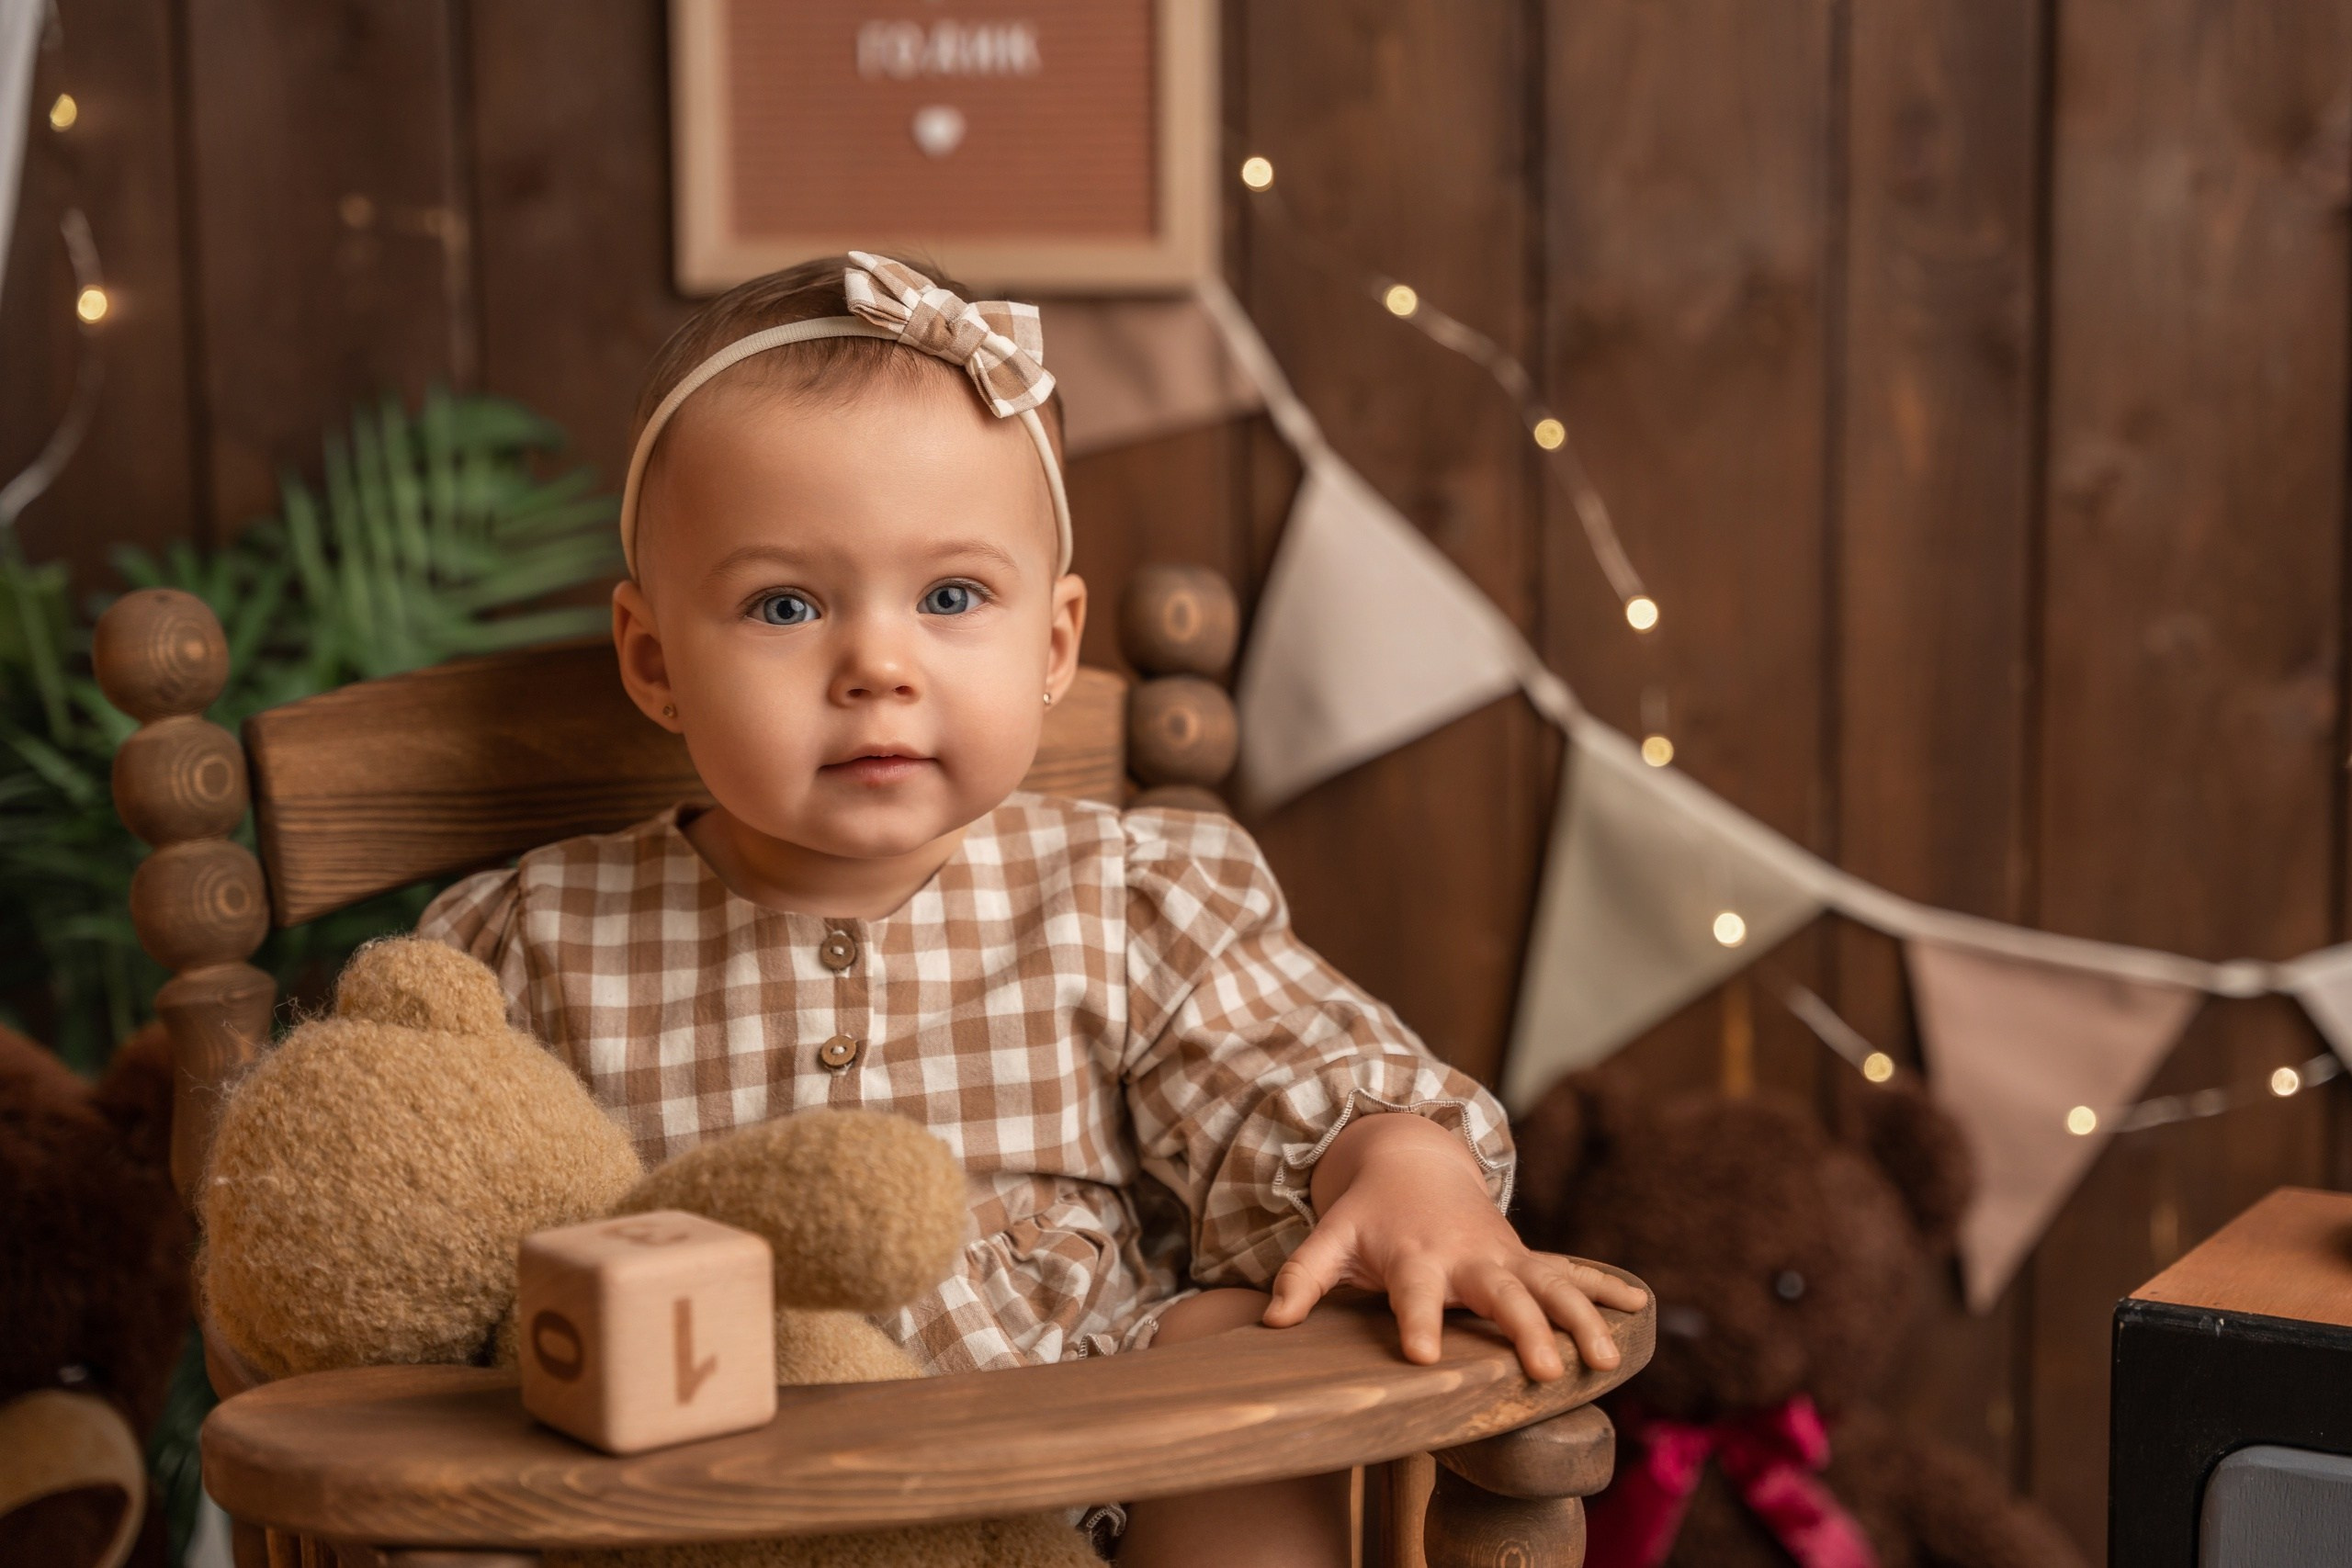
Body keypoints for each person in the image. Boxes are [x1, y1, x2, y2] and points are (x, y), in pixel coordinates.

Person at [418, 252, 1645, 1564]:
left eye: (952, 598)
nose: (878, 667)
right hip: (732, 1504)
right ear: (656, 662)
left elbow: (1283, 1060)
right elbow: (434, 1219)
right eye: (786, 605)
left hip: (1089, 1470)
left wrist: (1403, 1167)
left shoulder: (1119, 896)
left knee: (1249, 1348)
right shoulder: (538, 941)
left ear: (1052, 647)